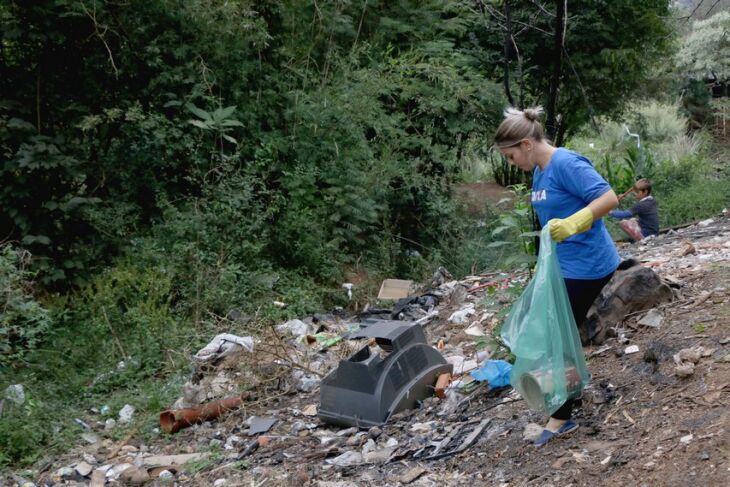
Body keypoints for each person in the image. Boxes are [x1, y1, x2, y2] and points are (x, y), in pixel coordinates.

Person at [494, 106, 620, 447]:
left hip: (588, 264)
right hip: (563, 264)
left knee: (556, 335)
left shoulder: (566, 163)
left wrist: (575, 223)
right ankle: (568, 398)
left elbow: (608, 198)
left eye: (509, 156)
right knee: (557, 332)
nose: (511, 163)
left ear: (525, 143)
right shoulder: (539, 169)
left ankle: (562, 416)